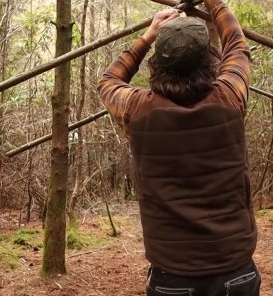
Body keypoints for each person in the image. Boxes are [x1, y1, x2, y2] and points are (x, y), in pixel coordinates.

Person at [98, 0, 259, 295]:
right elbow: (237, 44)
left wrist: (147, 36)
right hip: (234, 268)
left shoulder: (137, 110)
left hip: (172, 275)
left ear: (158, 64)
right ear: (211, 61)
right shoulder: (230, 97)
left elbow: (109, 80)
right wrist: (215, 3)